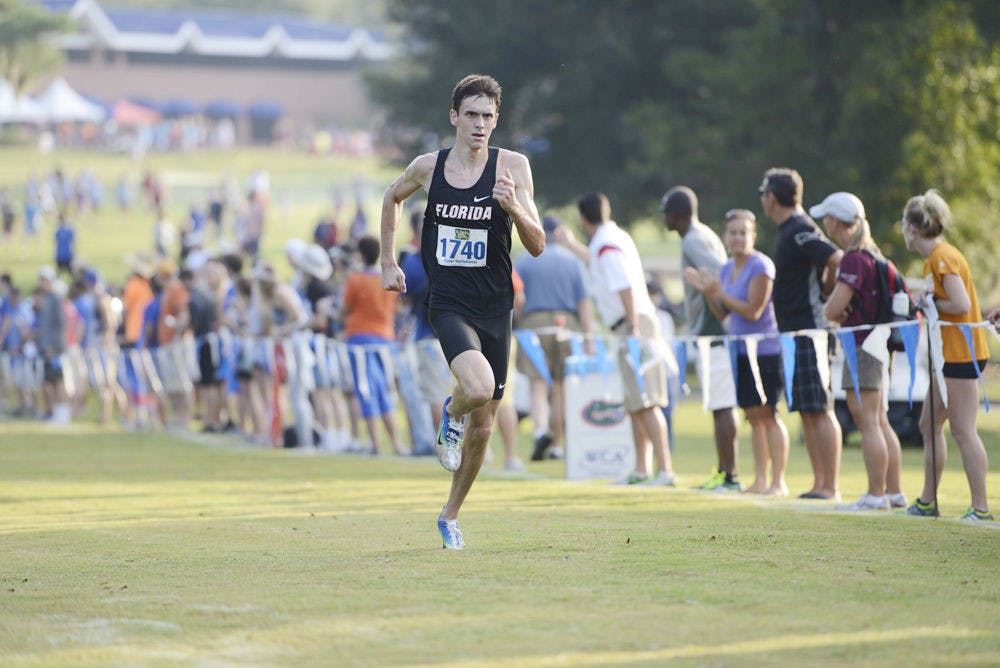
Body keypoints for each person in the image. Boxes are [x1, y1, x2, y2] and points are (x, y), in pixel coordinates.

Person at [379, 74, 545, 549]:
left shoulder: (513, 167)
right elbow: (391, 196)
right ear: (454, 117)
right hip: (449, 303)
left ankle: (450, 515)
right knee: (476, 388)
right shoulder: (429, 167)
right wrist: (388, 262)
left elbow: (536, 245)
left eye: (487, 117)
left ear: (497, 121)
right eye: (470, 115)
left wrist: (513, 206)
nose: (479, 124)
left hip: (496, 306)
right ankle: (451, 412)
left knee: (486, 423)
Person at [901, 190, 991, 521]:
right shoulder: (935, 258)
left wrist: (928, 304)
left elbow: (961, 305)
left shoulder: (942, 257)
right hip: (948, 355)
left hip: (961, 354)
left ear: (912, 227)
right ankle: (928, 500)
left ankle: (980, 508)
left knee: (963, 430)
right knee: (929, 423)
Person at [685, 209, 789, 496]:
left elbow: (753, 310)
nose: (738, 237)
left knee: (770, 414)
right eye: (733, 232)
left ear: (753, 236)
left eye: (744, 232)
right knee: (753, 417)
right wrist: (709, 291)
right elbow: (723, 313)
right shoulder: (726, 269)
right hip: (741, 351)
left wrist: (719, 292)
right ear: (725, 236)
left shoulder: (761, 266)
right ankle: (759, 479)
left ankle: (778, 481)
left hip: (766, 351)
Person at [574, 191, 675, 487]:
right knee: (634, 402)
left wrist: (632, 327)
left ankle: (665, 470)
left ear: (583, 218)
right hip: (628, 324)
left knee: (647, 400)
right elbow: (599, 264)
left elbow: (624, 286)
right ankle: (642, 469)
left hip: (633, 324)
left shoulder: (606, 246)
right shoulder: (613, 239)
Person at [815, 192, 906, 511]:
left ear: (834, 222)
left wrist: (832, 308)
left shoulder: (853, 258)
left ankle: (875, 494)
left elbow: (832, 308)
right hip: (880, 344)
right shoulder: (877, 255)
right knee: (879, 420)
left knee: (867, 420)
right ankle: (893, 492)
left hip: (862, 345)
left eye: (826, 218)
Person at [759, 168, 844, 500]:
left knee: (820, 409)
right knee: (807, 410)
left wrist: (826, 293)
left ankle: (831, 486)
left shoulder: (800, 229)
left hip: (811, 332)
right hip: (794, 333)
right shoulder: (788, 230)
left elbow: (836, 258)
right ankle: (819, 483)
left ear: (772, 197)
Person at [662, 186, 741, 491]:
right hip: (712, 329)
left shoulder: (694, 239)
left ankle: (729, 475)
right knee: (720, 404)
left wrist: (716, 304)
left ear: (676, 214)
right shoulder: (700, 234)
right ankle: (724, 471)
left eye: (666, 214)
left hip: (714, 331)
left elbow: (723, 273)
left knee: (722, 405)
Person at [513, 214, 593, 462]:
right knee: (560, 388)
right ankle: (557, 445)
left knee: (538, 386)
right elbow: (584, 304)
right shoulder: (572, 262)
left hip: (533, 325)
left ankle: (540, 431)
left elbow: (515, 298)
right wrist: (588, 336)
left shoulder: (525, 260)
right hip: (566, 324)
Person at [342, 235, 408, 457]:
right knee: (384, 391)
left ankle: (376, 443)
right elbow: (397, 309)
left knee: (366, 390)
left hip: (359, 339)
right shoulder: (385, 278)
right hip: (385, 339)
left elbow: (344, 307)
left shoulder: (355, 279)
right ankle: (397, 442)